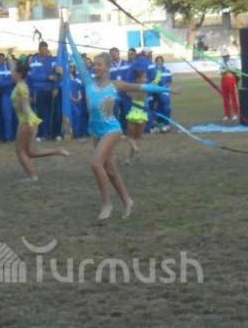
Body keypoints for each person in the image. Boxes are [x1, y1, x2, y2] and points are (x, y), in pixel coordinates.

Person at [66, 23, 174, 220]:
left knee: (96, 164)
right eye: (94, 64)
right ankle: (127, 200)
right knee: (110, 170)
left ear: (107, 67)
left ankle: (106, 204)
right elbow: (76, 56)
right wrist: (67, 32)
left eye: (99, 64)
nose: (95, 67)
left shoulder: (116, 85)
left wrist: (168, 90)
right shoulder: (88, 83)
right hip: (96, 130)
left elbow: (143, 87)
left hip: (111, 129)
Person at [10, 61, 69, 181]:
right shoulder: (21, 85)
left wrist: (30, 123)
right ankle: (57, 150)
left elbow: (26, 107)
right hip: (29, 121)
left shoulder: (21, 87)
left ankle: (32, 176)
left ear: (19, 74)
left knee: (19, 150)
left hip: (27, 121)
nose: (11, 75)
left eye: (13, 73)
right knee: (31, 152)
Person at [28, 41, 61, 141]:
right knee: (40, 113)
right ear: (39, 49)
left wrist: (56, 87)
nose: (44, 50)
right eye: (42, 49)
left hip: (51, 90)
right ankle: (41, 134)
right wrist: (47, 77)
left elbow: (58, 75)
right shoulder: (34, 60)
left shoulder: (53, 60)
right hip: (39, 90)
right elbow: (33, 76)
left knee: (54, 112)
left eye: (46, 49)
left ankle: (55, 134)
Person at [123, 69, 150, 163]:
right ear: (138, 79)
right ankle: (135, 150)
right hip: (136, 114)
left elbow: (129, 93)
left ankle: (130, 158)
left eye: (146, 77)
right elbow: (128, 93)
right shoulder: (141, 88)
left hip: (140, 114)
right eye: (144, 77)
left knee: (136, 137)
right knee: (131, 136)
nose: (146, 79)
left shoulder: (145, 88)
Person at [0, 53, 16, 142]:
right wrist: (11, 81)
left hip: (15, 95)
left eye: (4, 59)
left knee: (15, 116)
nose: (3, 60)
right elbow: (0, 83)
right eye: (1, 59)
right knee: (7, 116)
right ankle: (8, 136)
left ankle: (15, 135)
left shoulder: (13, 69)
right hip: (5, 95)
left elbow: (18, 80)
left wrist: (9, 81)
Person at [150, 56, 173, 133]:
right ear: (155, 62)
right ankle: (155, 125)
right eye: (158, 61)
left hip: (164, 92)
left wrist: (165, 87)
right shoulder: (152, 71)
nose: (159, 62)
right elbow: (150, 81)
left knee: (166, 108)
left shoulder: (167, 71)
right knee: (153, 108)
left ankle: (166, 124)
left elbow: (169, 82)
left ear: (163, 62)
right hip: (154, 91)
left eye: (160, 61)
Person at [219, 52, 239, 122]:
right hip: (224, 80)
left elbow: (236, 70)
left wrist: (230, 70)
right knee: (225, 98)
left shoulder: (234, 61)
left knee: (234, 97)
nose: (224, 58)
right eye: (223, 56)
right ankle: (227, 114)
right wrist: (225, 71)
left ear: (228, 56)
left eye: (226, 56)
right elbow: (220, 72)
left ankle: (236, 113)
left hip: (231, 79)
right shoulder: (222, 63)